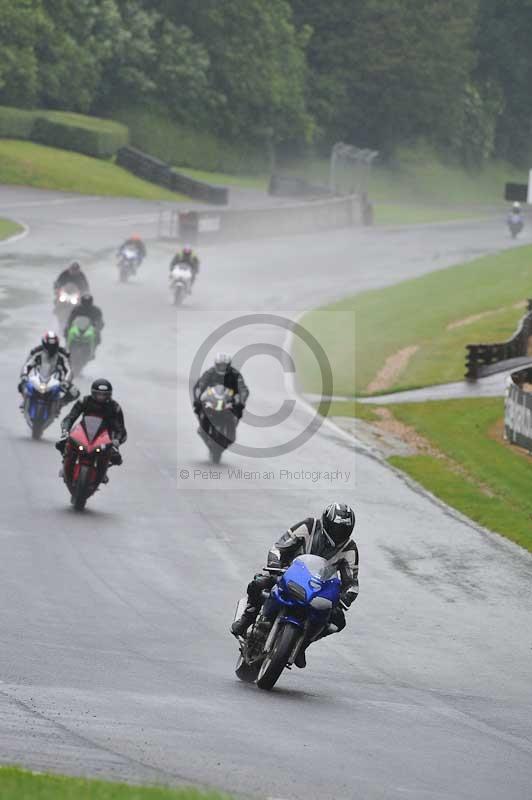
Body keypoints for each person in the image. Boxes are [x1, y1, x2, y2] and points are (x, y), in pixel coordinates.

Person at [231, 503, 359, 669]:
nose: (338, 533)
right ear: (326, 522)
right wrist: (275, 564)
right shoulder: (309, 526)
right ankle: (247, 619)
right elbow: (278, 547)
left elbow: (352, 583)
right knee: (258, 583)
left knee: (337, 621)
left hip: (319, 590)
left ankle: (303, 644)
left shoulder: (349, 548)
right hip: (287, 574)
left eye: (343, 530)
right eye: (335, 528)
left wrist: (344, 598)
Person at [56, 379, 127, 477]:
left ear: (109, 395)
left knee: (115, 456)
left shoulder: (115, 407)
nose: (101, 397)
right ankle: (66, 465)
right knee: (63, 443)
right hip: (83, 432)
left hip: (104, 437)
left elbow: (121, 429)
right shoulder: (84, 401)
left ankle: (102, 472)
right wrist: (65, 431)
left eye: (104, 395)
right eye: (99, 394)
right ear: (93, 393)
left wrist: (117, 441)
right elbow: (70, 417)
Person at [193, 353, 249, 441]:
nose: (222, 368)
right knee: (198, 406)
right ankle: (202, 426)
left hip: (229, 399)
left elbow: (242, 388)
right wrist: (198, 398)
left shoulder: (235, 374)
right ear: (216, 365)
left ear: (229, 365)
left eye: (225, 366)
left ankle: (232, 427)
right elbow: (200, 384)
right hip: (213, 398)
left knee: (239, 409)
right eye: (220, 365)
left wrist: (242, 400)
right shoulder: (210, 372)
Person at [18, 331, 79, 407]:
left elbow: (69, 369)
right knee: (21, 385)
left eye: (53, 345)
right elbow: (27, 364)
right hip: (39, 377)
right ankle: (25, 401)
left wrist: (66, 381)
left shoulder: (63, 354)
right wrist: (24, 375)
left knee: (75, 392)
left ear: (57, 344)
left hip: (58, 380)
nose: (51, 348)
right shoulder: (37, 351)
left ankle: (60, 404)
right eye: (49, 345)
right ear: (44, 343)